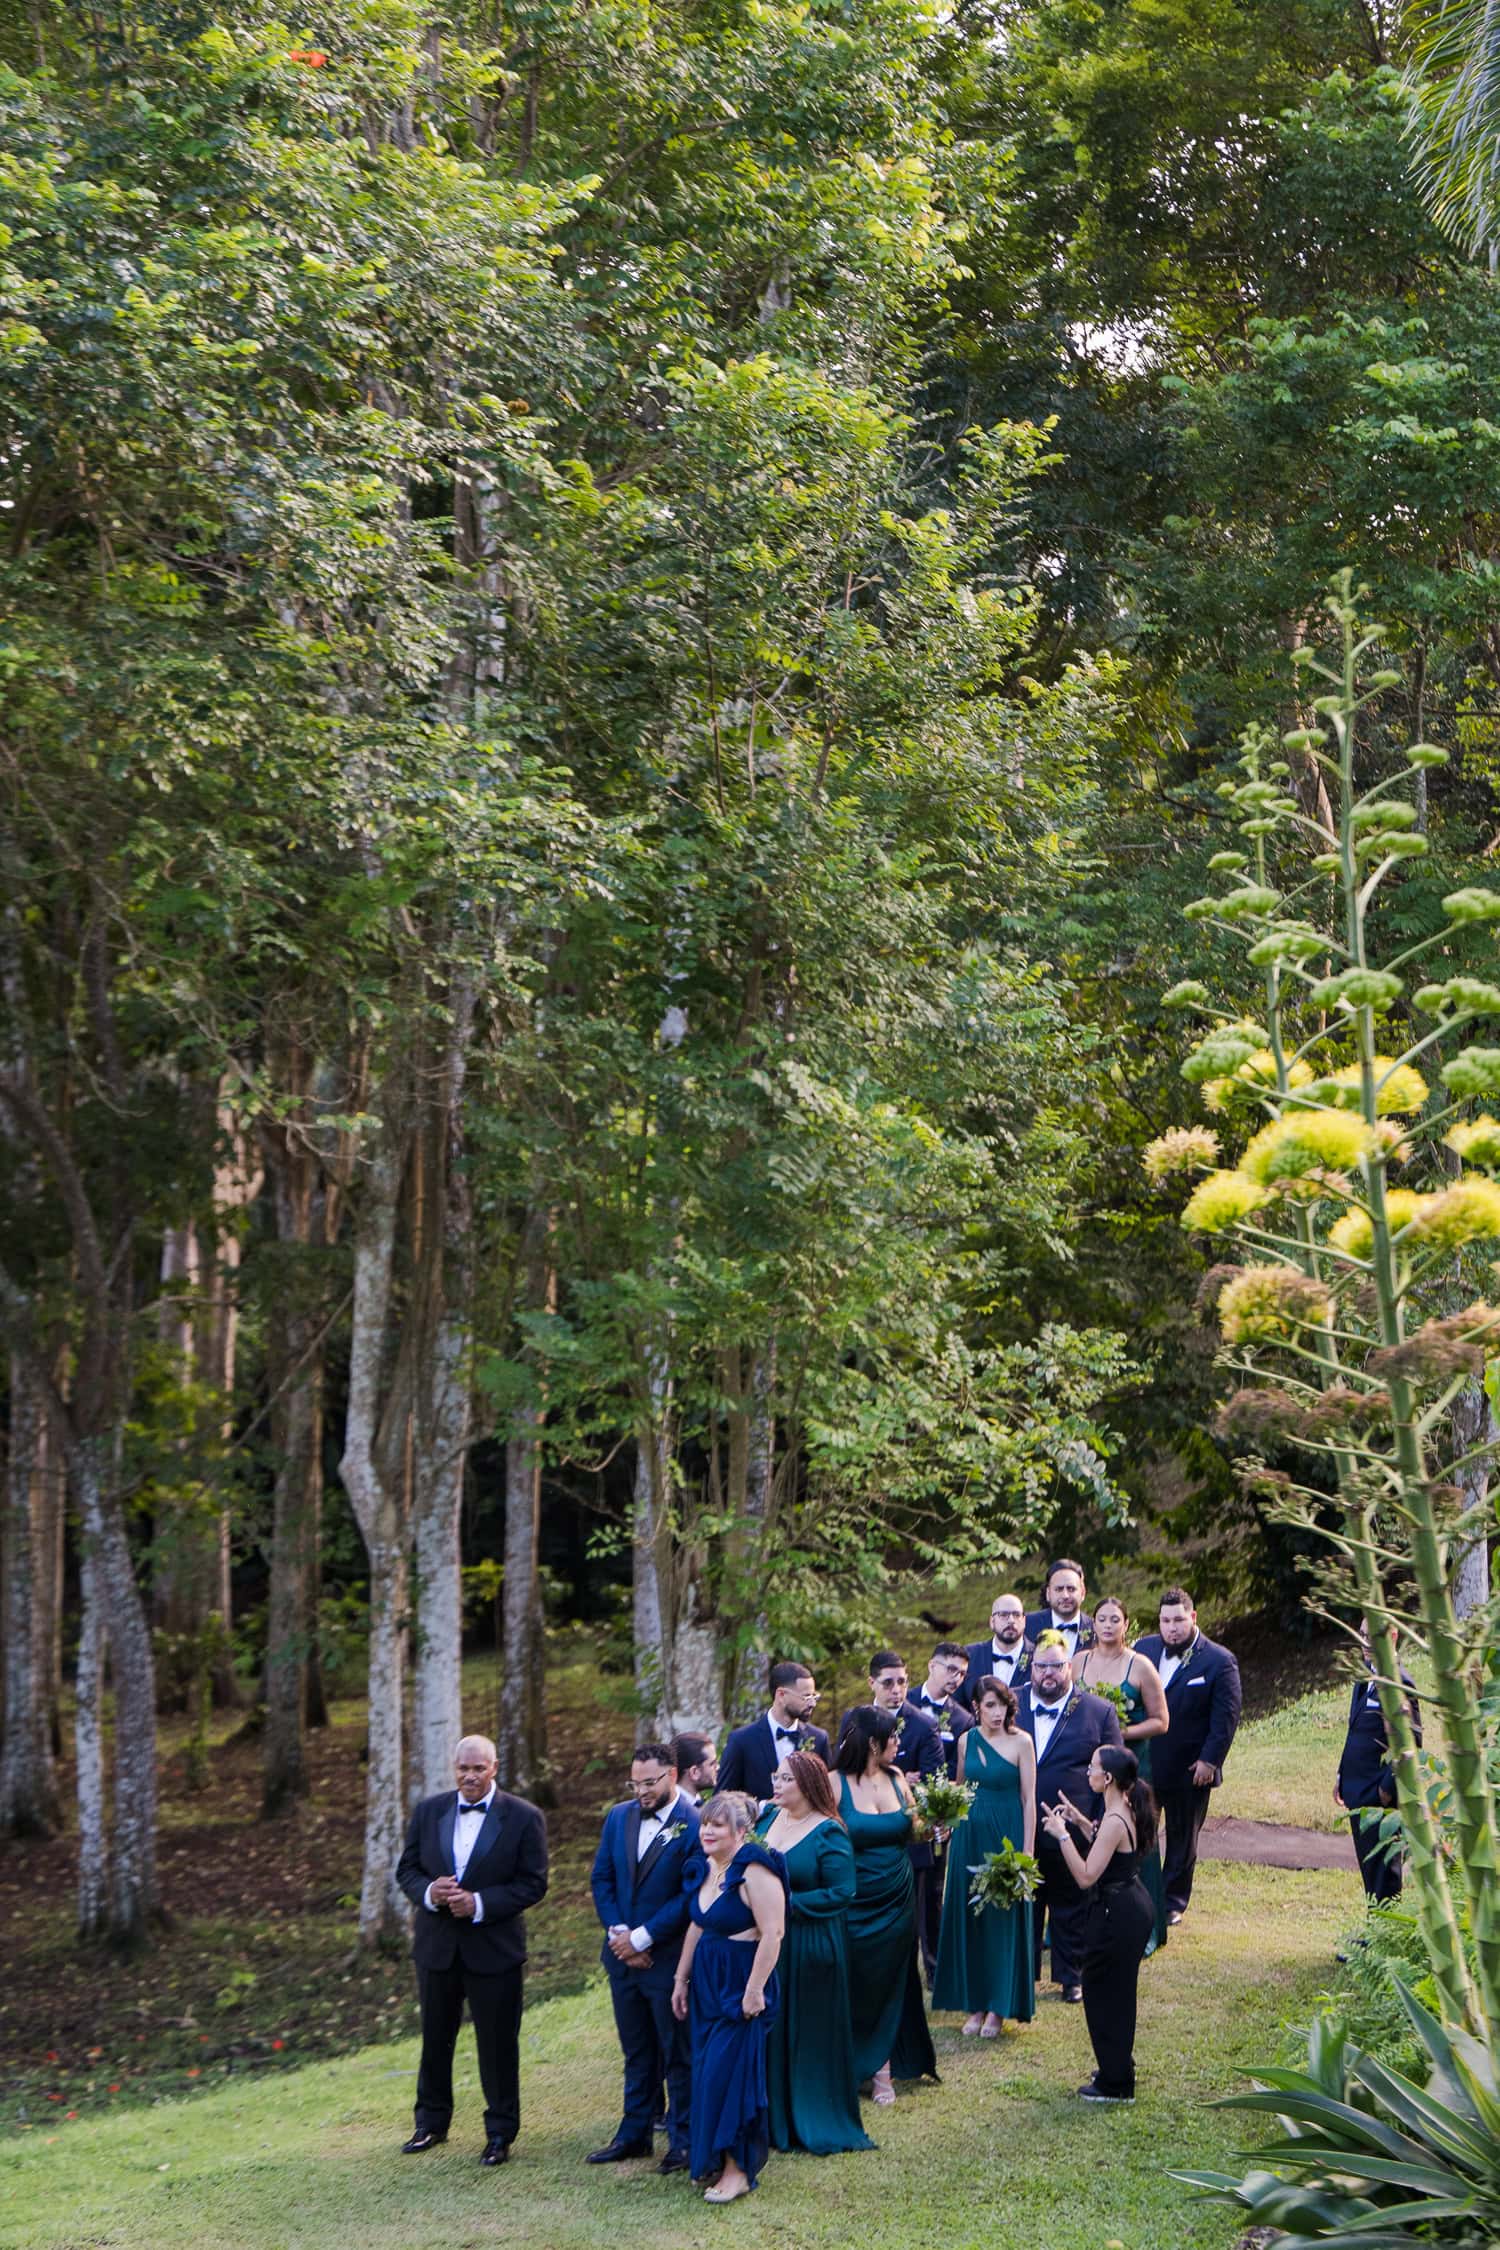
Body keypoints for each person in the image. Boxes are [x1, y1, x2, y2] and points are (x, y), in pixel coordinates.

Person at [394, 1732, 549, 2165]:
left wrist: (480, 1903)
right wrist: (430, 1892)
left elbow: (534, 1883)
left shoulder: (524, 1816)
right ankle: (430, 2123)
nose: (470, 1776)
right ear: (454, 1769)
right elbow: (406, 1869)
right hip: (437, 1948)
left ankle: (500, 2133)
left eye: (479, 1768)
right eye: (464, 1768)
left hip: (494, 1949)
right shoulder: (428, 1811)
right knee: (435, 2039)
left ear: (494, 1768)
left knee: (498, 2044)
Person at [753, 1752, 873, 2155]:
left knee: (808, 2029)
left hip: (811, 1943)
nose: (776, 1783)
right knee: (774, 2026)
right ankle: (773, 2118)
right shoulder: (768, 1821)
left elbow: (841, 1892)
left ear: (806, 1785)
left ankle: (812, 2114)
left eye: (785, 1778)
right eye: (776, 1776)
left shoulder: (829, 1832)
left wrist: (785, 1905)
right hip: (770, 1943)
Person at [587, 1743, 700, 2172]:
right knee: (636, 2051)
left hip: (666, 1960)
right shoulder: (619, 1816)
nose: (641, 1791)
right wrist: (619, 1934)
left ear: (672, 1775)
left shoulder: (694, 1823)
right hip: (622, 1957)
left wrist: (643, 1937)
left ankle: (683, 2141)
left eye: (649, 1782)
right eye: (635, 1783)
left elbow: (690, 1894)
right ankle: (634, 2135)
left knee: (677, 2053)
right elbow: (602, 1878)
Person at [671, 1791, 787, 2203]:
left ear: (741, 1831)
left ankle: (739, 2171)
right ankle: (715, 2160)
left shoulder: (755, 1870)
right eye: (705, 1823)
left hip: (741, 1983)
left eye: (717, 1825)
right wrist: (681, 1979)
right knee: (706, 2072)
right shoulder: (707, 1868)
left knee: (732, 2074)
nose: (707, 1831)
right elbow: (697, 1925)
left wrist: (754, 1989)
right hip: (707, 1982)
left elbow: (773, 1932)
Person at [832, 1706, 937, 2104]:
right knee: (857, 1978)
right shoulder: (834, 1783)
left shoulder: (896, 1779)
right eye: (893, 1738)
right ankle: (850, 2061)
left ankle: (883, 2070)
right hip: (855, 1898)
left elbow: (913, 1831)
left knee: (894, 1975)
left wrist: (935, 1823)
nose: (898, 1744)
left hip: (897, 1894)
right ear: (873, 1743)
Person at [1041, 1745, 1156, 2102]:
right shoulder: (1123, 1808)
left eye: (1092, 1768)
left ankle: (1116, 2082)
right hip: (1131, 1905)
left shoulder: (1115, 1818)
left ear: (1107, 1778)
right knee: (1115, 1992)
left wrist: (1061, 1835)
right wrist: (1077, 1821)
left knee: (1104, 1992)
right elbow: (1111, 1852)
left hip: (1118, 1913)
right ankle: (1116, 2067)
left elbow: (1087, 1875)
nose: (1087, 1773)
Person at [932, 1676, 1036, 2036]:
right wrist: (944, 1817)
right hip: (969, 1837)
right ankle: (974, 2004)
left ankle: (998, 2006)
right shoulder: (965, 1741)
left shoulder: (1022, 1742)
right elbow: (960, 1789)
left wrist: (1027, 1852)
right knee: (970, 1918)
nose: (996, 1712)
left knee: (1000, 1920)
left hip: (1006, 1834)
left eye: (1002, 1704)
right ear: (976, 1706)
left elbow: (1028, 1799)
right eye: (989, 1705)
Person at [1017, 1644, 1122, 2001]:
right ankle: (1022, 1975)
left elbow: (1114, 1770)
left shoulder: (1098, 1711)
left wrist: (1094, 1820)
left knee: (1072, 1904)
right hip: (1020, 1824)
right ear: (1031, 1669)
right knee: (1025, 1901)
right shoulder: (1011, 1706)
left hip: (1073, 1825)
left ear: (1070, 1669)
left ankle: (1070, 1976)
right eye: (1041, 1666)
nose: (1048, 1673)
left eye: (1057, 1666)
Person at [1132, 1588, 1242, 1926]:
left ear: (1192, 1618)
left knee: (1182, 1837)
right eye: (1165, 1620)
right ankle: (1138, 1895)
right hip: (1146, 1763)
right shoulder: (1144, 1650)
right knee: (1140, 1830)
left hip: (1190, 1767)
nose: (1172, 1627)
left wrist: (1210, 1760)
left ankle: (1172, 1902)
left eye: (1179, 1619)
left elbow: (1225, 1717)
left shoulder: (1219, 1660)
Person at [1077, 1596, 1170, 1953]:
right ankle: (1084, 1918)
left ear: (1126, 1625)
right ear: (1093, 1623)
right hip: (1091, 1765)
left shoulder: (1141, 1666)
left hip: (1131, 1763)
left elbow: (1161, 1721)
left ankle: (1143, 1924)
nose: (1107, 1625)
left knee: (1134, 1838)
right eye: (1101, 1618)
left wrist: (1118, 1731)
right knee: (1088, 1830)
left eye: (1115, 1619)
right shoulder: (1078, 1662)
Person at [1335, 1628, 1422, 1904]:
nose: (1365, 1642)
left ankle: (1385, 1931)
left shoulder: (1399, 1682)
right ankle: (1375, 1930)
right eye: (1362, 1634)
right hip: (1356, 1789)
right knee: (1369, 1869)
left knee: (1385, 1872)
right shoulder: (1367, 1673)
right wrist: (1342, 1773)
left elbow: (1410, 1746)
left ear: (1393, 1636)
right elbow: (1355, 1727)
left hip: (1378, 1795)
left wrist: (1385, 1790)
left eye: (1371, 1634)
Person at [911, 1642, 974, 1980]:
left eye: (962, 1673)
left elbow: (958, 1771)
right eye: (951, 1669)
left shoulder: (963, 1718)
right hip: (896, 1808)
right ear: (932, 1665)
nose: (956, 1678)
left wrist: (945, 1810)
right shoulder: (901, 1700)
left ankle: (933, 1965)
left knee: (934, 1889)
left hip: (936, 1816)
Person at [719, 1663, 829, 1801]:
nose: (812, 1703)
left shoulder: (819, 1738)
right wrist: (762, 1808)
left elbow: (826, 1796)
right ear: (781, 1695)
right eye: (806, 1697)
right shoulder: (742, 1740)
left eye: (814, 1696)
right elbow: (723, 1799)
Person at [956, 1593, 1034, 1709]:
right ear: (992, 1621)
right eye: (1004, 1615)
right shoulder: (969, 1655)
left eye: (1016, 1615)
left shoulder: (1038, 1657)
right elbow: (955, 1702)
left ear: (1024, 1621)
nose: (1011, 1620)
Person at [1023, 1558, 1095, 1660]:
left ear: (1083, 1593)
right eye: (1059, 1589)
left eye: (1071, 1589)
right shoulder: (1027, 1624)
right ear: (1048, 1594)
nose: (1065, 1595)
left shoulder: (1096, 1629)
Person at [671, 1732, 719, 1806]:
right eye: (712, 1764)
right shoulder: (676, 1811)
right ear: (694, 1772)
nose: (718, 1767)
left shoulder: (694, 1803)